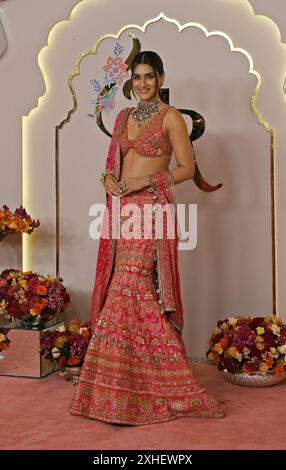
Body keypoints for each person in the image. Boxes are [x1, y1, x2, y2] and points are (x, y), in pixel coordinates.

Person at [69, 51, 224, 425]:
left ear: (161, 78)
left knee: (131, 287)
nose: (142, 84)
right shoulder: (122, 117)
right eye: (137, 77)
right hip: (123, 212)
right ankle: (122, 387)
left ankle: (168, 384)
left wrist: (145, 181)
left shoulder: (170, 118)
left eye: (149, 77)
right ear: (130, 81)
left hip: (152, 210)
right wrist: (107, 179)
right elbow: (114, 164)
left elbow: (186, 169)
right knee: (127, 291)